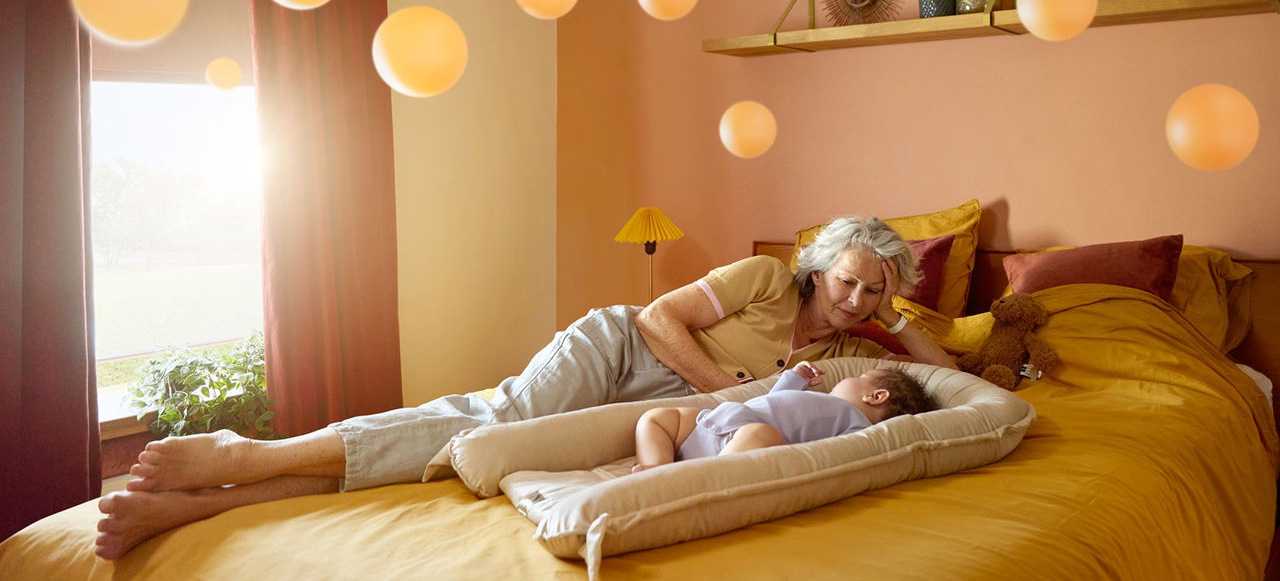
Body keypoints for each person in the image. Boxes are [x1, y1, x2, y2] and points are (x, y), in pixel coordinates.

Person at [96, 216, 956, 559]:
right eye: (847, 279)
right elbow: (657, 317)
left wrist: (903, 311)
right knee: (491, 418)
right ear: (817, 264)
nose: (856, 297)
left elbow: (946, 379)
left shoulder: (851, 347)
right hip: (617, 350)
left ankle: (214, 502)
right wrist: (726, 391)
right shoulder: (768, 279)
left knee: (462, 453)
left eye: (873, 289)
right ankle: (257, 452)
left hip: (640, 409)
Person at [633, 359, 937, 470]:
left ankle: (689, 481)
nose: (848, 378)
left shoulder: (855, 425)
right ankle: (655, 466)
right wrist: (794, 378)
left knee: (762, 435)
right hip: (719, 420)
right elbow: (773, 400)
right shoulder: (817, 397)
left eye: (861, 376)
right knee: (658, 417)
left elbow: (843, 456)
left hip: (747, 441)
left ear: (875, 396)